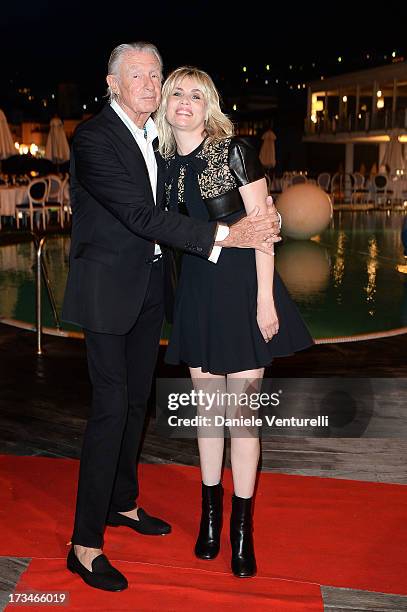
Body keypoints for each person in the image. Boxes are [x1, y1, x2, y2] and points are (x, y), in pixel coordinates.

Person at [62, 42, 281, 592]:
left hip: (152, 296)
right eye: (139, 74)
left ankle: (123, 503)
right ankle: (85, 545)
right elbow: (139, 215)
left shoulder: (162, 146)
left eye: (156, 74)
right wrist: (229, 235)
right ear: (112, 83)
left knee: (138, 404)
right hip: (107, 293)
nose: (151, 83)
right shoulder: (93, 137)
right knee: (111, 409)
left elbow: (241, 208)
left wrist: (258, 243)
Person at [155, 66, 314, 578]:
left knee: (241, 418)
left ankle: (241, 531)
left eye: (195, 95)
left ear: (210, 105)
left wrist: (265, 300)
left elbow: (265, 226)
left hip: (245, 291)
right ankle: (210, 518)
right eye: (176, 92)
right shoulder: (161, 162)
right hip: (196, 297)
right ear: (164, 103)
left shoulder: (234, 151)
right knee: (208, 416)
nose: (185, 102)